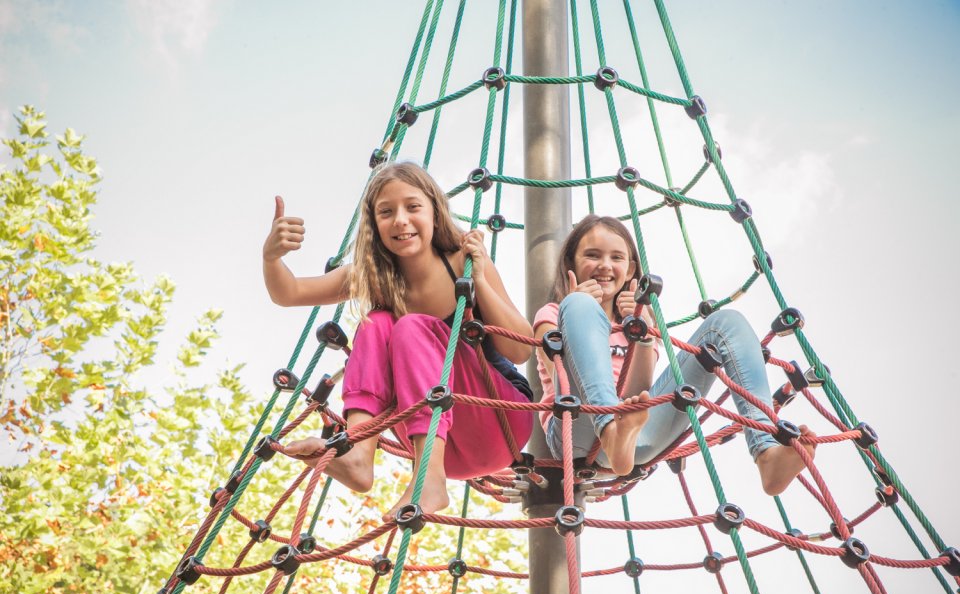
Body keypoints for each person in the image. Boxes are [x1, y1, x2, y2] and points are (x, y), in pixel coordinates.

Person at [263, 162, 534, 519]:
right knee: (376, 322)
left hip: (500, 422)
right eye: (386, 212)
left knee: (410, 327)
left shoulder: (461, 261)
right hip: (439, 442)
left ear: (435, 213)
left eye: (413, 207)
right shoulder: (374, 275)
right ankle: (359, 453)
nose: (401, 220)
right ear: (374, 224)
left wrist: (479, 279)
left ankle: (429, 480)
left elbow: (521, 349)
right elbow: (291, 292)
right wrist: (271, 257)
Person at [533, 215, 815, 495]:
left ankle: (765, 451)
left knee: (727, 323)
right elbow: (562, 378)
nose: (605, 265)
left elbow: (639, 394)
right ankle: (609, 431)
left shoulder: (641, 321)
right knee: (579, 304)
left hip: (634, 437)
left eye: (616, 257)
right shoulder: (554, 314)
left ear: (631, 268)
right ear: (571, 263)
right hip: (577, 430)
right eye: (592, 255)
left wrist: (642, 332)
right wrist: (576, 307)